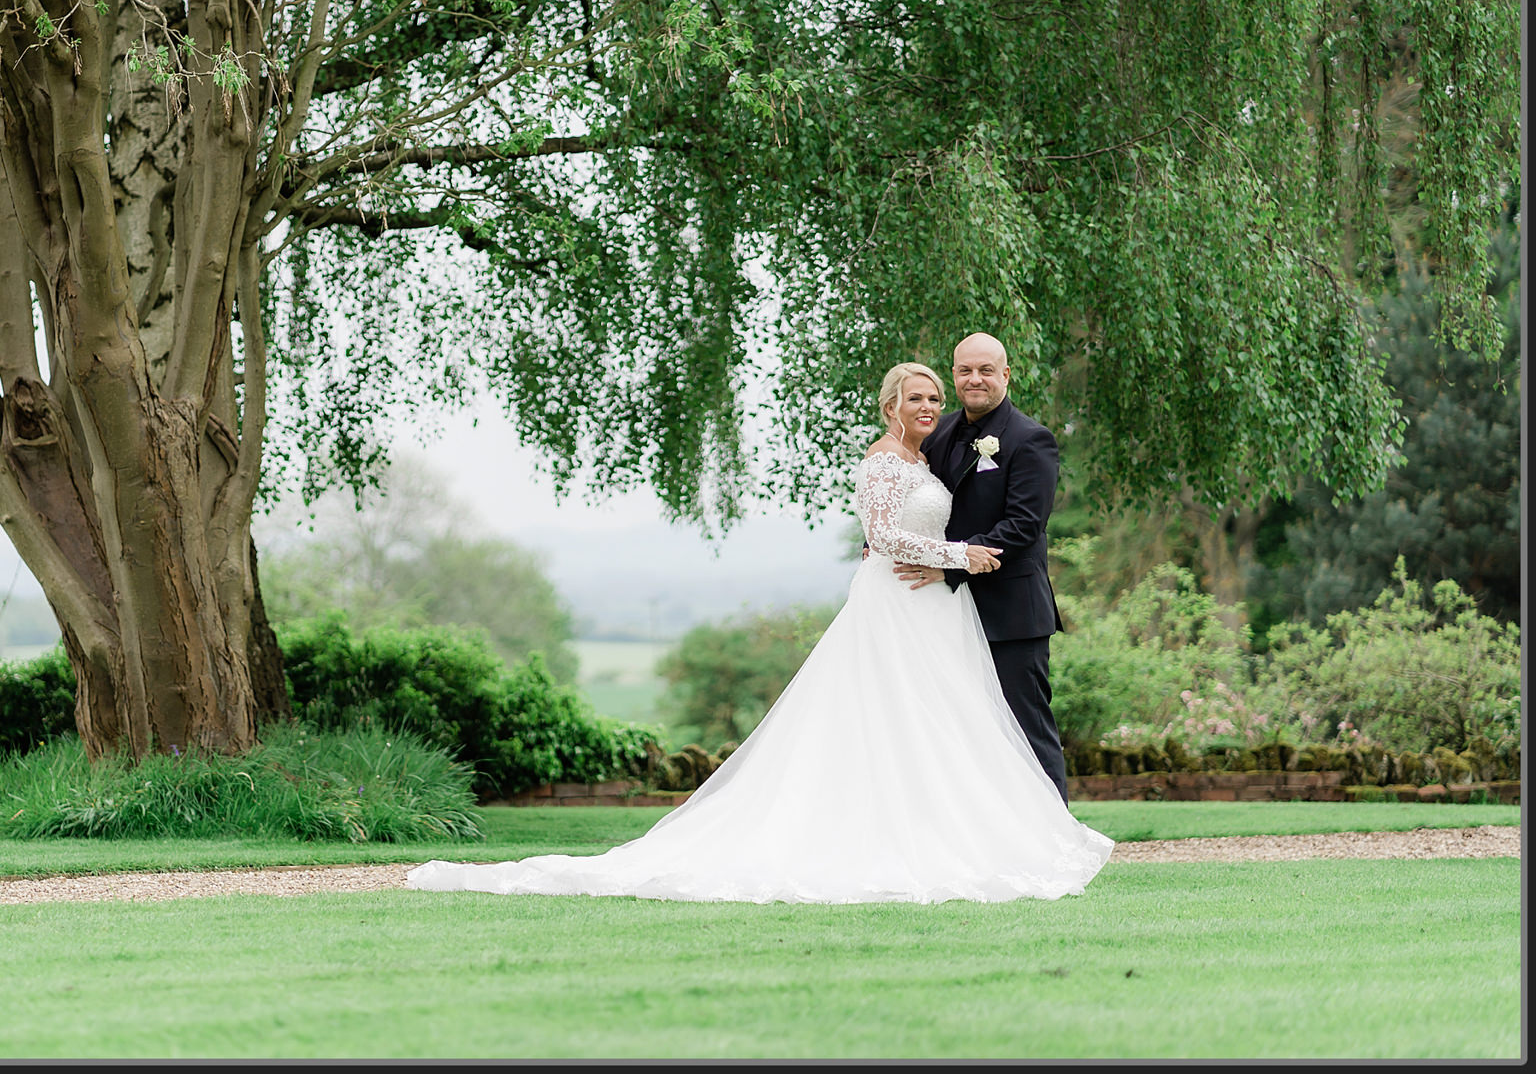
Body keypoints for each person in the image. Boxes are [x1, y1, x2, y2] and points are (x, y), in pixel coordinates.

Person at [406, 361, 1112, 905]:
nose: (931, 405)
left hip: (939, 607)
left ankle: (993, 831)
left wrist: (948, 564)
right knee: (895, 719)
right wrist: (958, 556)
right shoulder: (881, 461)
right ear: (890, 405)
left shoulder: (937, 455)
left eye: (936, 396)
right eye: (917, 397)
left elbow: (954, 522)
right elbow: (882, 534)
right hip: (897, 604)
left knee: (954, 724)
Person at [888, 332, 1070, 803]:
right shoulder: (941, 431)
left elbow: (1024, 526)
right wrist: (882, 541)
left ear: (1005, 375)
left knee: (1026, 728)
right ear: (954, 374)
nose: (976, 379)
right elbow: (910, 497)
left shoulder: (1031, 440)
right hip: (945, 613)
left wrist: (949, 566)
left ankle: (1056, 844)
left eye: (986, 370)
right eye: (966, 370)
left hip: (1010, 612)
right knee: (964, 735)